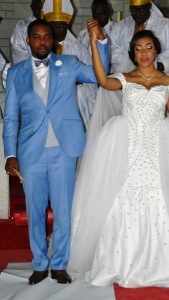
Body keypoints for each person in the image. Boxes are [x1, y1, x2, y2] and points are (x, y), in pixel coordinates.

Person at [68, 29, 169, 288]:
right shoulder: (125, 78)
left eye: (148, 47)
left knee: (164, 197)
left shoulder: (168, 82)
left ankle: (168, 264)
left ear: (156, 51)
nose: (144, 53)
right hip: (127, 147)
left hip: (159, 147)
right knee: (121, 198)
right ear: (133, 53)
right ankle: (120, 262)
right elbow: (103, 81)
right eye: (138, 49)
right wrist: (95, 43)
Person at [3, 18, 109, 285]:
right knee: (35, 210)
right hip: (30, 152)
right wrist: (9, 153)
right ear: (28, 41)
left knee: (63, 210)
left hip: (65, 149)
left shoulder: (69, 64)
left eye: (47, 37)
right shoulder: (16, 73)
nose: (42, 41)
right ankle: (39, 263)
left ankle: (60, 263)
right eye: (36, 37)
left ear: (53, 40)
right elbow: (11, 116)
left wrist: (102, 42)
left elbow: (101, 75)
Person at [43, 0, 97, 128]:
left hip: (75, 100)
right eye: (54, 25)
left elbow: (91, 78)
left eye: (61, 25)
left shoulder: (78, 49)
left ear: (67, 26)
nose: (58, 29)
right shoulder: (43, 49)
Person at [110, 0, 169, 75]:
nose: (137, 14)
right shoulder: (120, 27)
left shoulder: (167, 25)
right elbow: (112, 49)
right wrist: (129, 62)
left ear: (149, 6)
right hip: (126, 75)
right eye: (133, 10)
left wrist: (151, 66)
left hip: (158, 76)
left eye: (141, 9)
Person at [10, 0, 44, 65]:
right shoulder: (22, 27)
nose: (40, 11)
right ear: (32, 7)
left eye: (42, 7)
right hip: (30, 71)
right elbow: (18, 57)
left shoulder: (55, 25)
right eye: (37, 8)